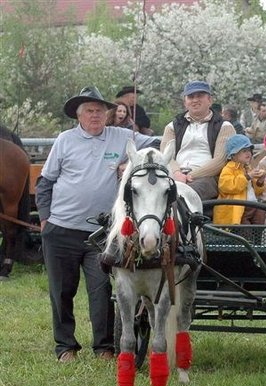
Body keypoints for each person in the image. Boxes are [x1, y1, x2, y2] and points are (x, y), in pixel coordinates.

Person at [36, 86, 160, 363]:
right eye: (89, 111)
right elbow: (45, 182)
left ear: (107, 114)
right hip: (61, 229)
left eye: (99, 111)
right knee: (61, 291)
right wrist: (45, 219)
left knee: (102, 290)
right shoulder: (65, 140)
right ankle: (65, 347)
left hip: (101, 233)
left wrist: (131, 163)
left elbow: (156, 145)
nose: (95, 115)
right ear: (79, 116)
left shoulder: (122, 136)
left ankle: (104, 347)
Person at [160, 80, 235, 201]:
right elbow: (165, 155)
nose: (195, 100)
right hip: (175, 175)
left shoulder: (224, 127)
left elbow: (220, 161)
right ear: (185, 102)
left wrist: (191, 175)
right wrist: (177, 173)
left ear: (209, 100)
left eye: (200, 96)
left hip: (207, 178)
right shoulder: (172, 126)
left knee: (185, 195)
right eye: (190, 97)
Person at [213, 134, 266, 225]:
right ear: (233, 155)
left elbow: (257, 192)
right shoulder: (229, 169)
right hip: (238, 207)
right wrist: (247, 177)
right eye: (244, 151)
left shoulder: (248, 168)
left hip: (254, 204)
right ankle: (245, 235)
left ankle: (259, 234)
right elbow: (226, 186)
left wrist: (260, 181)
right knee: (244, 228)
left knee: (260, 221)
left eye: (249, 150)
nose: (248, 153)